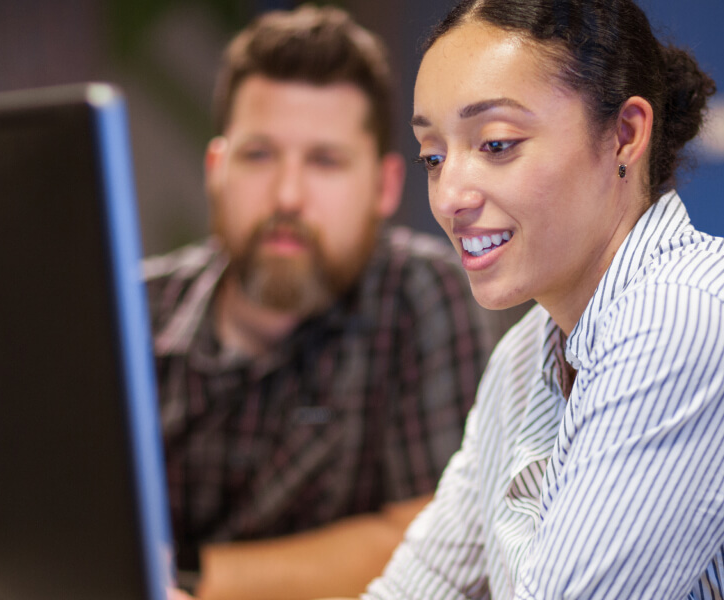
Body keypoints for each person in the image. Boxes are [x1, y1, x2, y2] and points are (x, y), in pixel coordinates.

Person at [360, 0, 724, 597]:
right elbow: (416, 587)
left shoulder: (684, 317)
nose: (450, 193)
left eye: (498, 144)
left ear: (625, 134)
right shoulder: (524, 357)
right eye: (433, 155)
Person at [144, 6, 493, 599]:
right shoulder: (130, 315)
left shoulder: (419, 297)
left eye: (325, 161)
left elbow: (432, 543)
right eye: (259, 156)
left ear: (383, 187)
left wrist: (181, 578)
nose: (288, 194)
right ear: (216, 170)